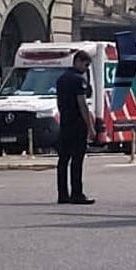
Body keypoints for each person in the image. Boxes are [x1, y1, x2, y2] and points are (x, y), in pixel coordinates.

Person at [55, 50, 95, 204]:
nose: (86, 68)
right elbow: (82, 104)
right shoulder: (78, 80)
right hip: (77, 125)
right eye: (86, 65)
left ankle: (62, 194)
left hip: (65, 123)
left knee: (63, 160)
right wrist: (90, 127)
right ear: (78, 61)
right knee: (77, 160)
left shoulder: (61, 79)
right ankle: (77, 193)